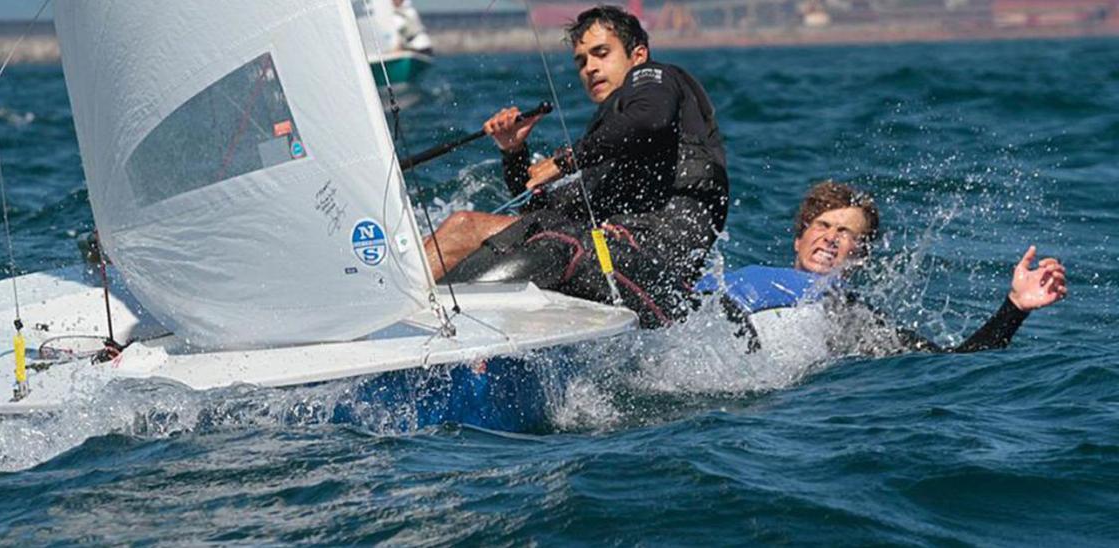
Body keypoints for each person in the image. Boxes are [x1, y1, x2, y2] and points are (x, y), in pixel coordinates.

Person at [423, 5, 729, 328]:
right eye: (582, 61)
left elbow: (649, 119)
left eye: (601, 53)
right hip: (606, 258)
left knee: (556, 244)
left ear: (638, 55)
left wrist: (566, 161)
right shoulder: (607, 141)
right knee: (464, 226)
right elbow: (535, 214)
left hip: (659, 276)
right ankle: (398, 312)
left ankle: (451, 323)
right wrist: (513, 152)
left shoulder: (655, 79)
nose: (590, 68)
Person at [693, 181, 1068, 355]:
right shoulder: (741, 277)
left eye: (846, 233)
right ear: (798, 238)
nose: (830, 238)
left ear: (861, 256)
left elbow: (953, 365)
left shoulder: (854, 318)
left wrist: (1014, 308)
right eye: (822, 226)